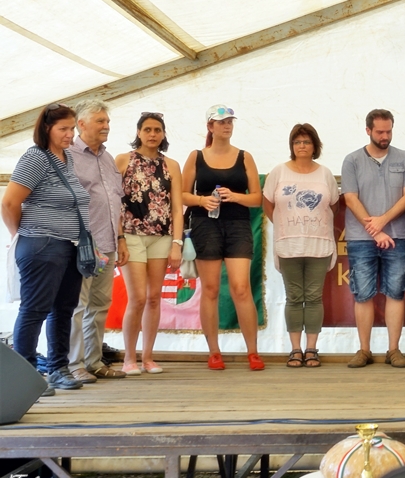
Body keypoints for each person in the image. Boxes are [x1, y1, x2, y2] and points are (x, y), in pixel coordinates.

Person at [2, 104, 91, 396]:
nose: (70, 134)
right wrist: (21, 234)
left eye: (72, 128)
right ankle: (26, 377)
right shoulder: (35, 157)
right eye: (63, 129)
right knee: (35, 309)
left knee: (63, 309)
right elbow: (9, 203)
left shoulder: (66, 158)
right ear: (46, 129)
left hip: (69, 246)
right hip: (42, 244)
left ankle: (58, 369)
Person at [181, 105, 264, 371]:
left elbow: (257, 198)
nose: (227, 126)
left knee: (241, 288)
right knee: (211, 289)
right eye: (221, 122)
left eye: (230, 121)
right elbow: (182, 194)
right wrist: (201, 200)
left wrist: (235, 196)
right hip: (205, 225)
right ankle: (214, 352)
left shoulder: (245, 156)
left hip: (238, 224)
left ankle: (253, 352)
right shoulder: (196, 156)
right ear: (210, 126)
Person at [341, 109, 405, 368]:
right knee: (363, 293)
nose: (385, 136)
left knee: (396, 292)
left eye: (389, 131)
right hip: (361, 238)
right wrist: (375, 229)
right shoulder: (352, 160)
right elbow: (350, 198)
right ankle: (364, 350)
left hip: (397, 235)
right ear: (368, 131)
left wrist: (383, 221)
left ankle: (393, 350)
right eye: (380, 132)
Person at [263, 124, 339, 368]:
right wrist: (285, 225)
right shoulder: (279, 172)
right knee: (294, 297)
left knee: (314, 297)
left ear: (315, 146)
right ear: (291, 146)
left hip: (318, 245)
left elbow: (334, 205)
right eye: (297, 142)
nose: (302, 146)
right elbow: (267, 203)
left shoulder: (325, 174)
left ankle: (312, 349)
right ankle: (295, 349)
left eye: (306, 142)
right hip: (289, 245)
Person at [116, 112, 184, 376]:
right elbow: (114, 202)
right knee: (138, 298)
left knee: (154, 298)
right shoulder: (123, 160)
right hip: (131, 235)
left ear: (163, 133)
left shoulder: (171, 165)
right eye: (147, 129)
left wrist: (177, 242)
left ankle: (148, 357)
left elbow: (177, 208)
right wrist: (119, 237)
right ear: (138, 132)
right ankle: (128, 358)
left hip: (161, 237)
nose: (152, 134)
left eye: (157, 130)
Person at [67, 100, 129, 382]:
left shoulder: (107, 157)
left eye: (107, 121)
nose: (107, 126)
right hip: (81, 245)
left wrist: (120, 238)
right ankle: (73, 365)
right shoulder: (67, 156)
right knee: (77, 306)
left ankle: (94, 362)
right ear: (81, 124)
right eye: (100, 121)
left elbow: (115, 202)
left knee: (100, 304)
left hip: (107, 243)